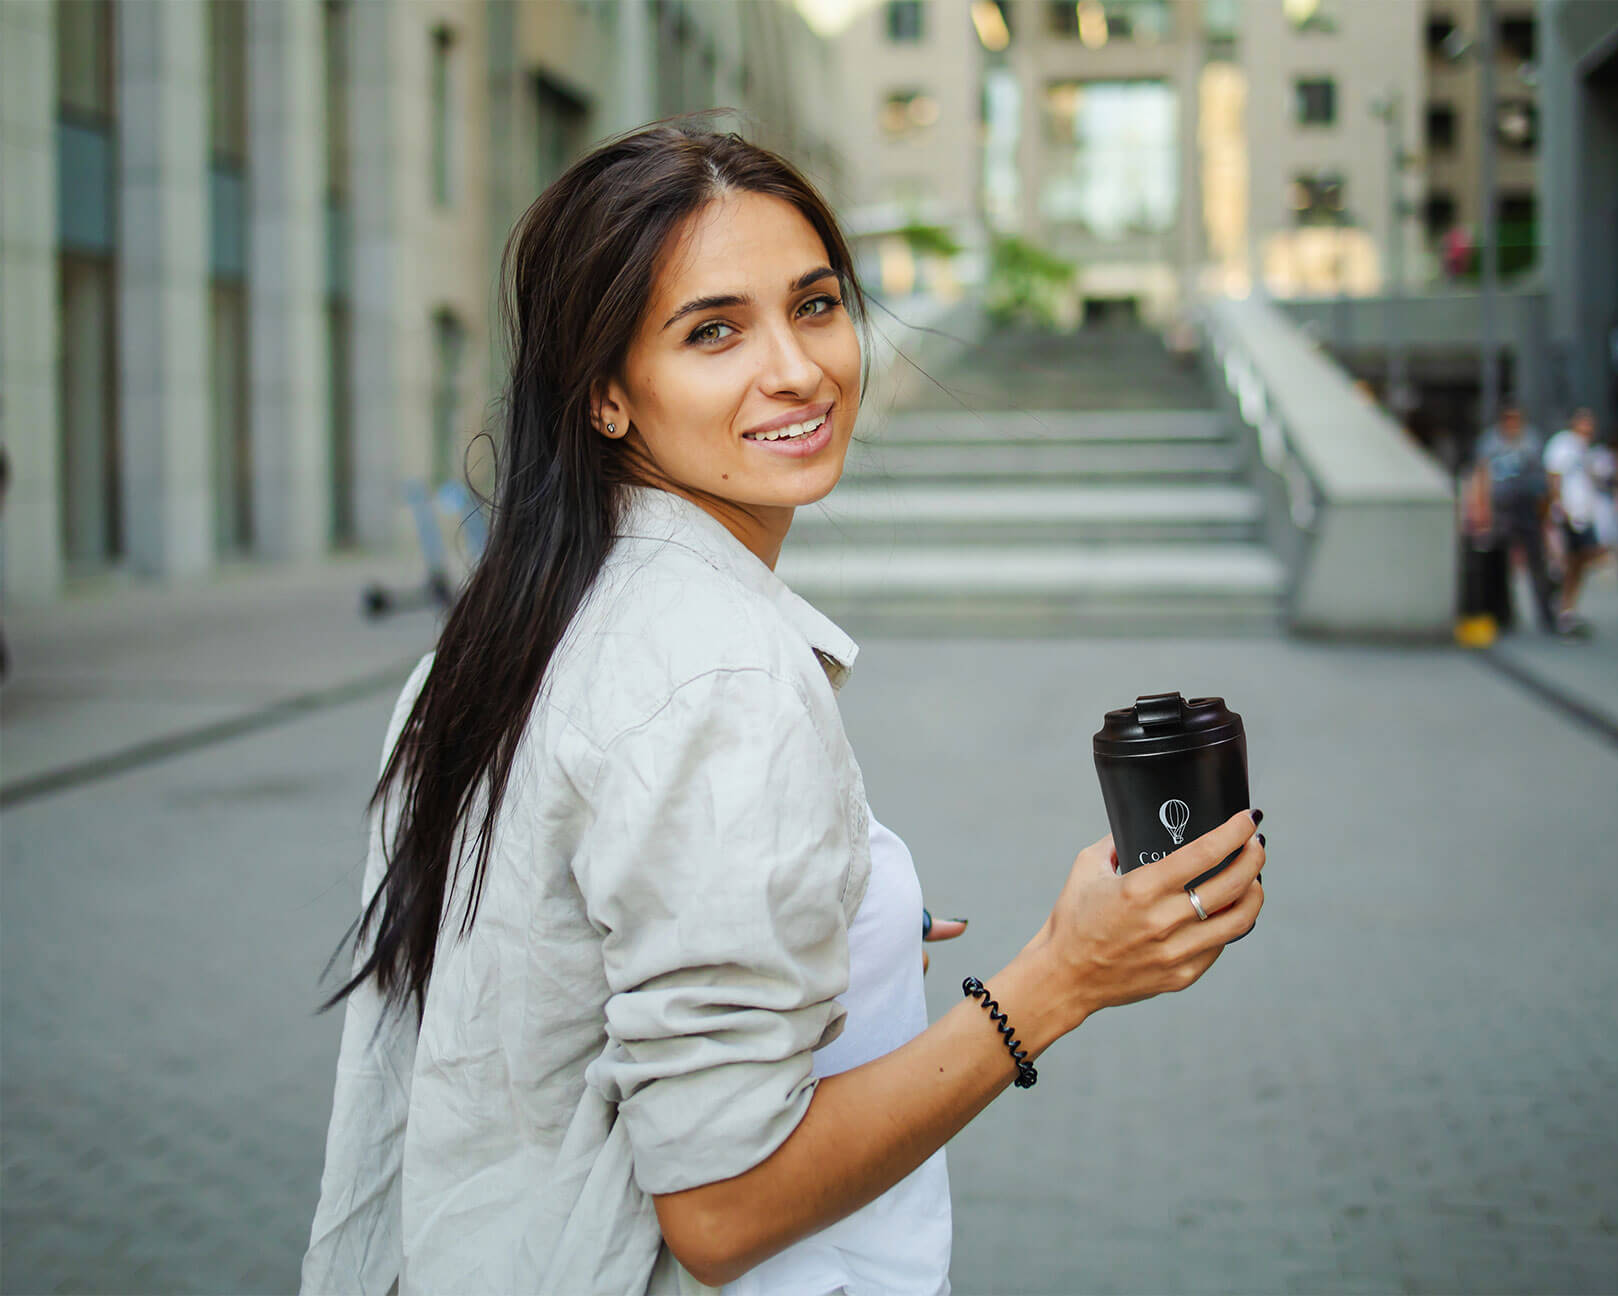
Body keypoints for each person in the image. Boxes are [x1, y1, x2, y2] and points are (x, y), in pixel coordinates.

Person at [299, 125, 1265, 1296]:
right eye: (713, 331)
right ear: (604, 394)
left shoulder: (499, 634)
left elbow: (557, 990)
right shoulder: (717, 672)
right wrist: (1062, 976)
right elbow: (719, 1206)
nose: (799, 368)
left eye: (814, 305)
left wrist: (839, 932)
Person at [1472, 401, 1559, 634]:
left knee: (1537, 561)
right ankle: (1503, 614)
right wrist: (1481, 507)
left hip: (1527, 506)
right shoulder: (1490, 442)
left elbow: (1543, 475)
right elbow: (1482, 473)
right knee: (1499, 563)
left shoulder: (1531, 440)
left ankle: (1546, 614)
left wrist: (1546, 506)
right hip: (1501, 507)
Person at [1543, 407, 1604, 634]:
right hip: (1569, 513)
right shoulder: (1563, 444)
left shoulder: (1586, 449)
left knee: (1584, 557)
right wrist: (1558, 505)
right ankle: (1562, 604)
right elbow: (1554, 476)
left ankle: (1568, 606)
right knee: (1570, 560)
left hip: (1584, 512)